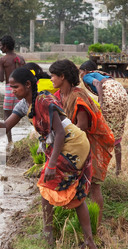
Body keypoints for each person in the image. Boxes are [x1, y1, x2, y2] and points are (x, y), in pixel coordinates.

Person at [0, 67, 97, 249]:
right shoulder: (23, 104)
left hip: (72, 144)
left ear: (28, 85)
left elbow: (59, 133)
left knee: (48, 187)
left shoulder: (44, 100)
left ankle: (50, 235)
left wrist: (51, 164)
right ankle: (80, 240)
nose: (12, 91)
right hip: (63, 145)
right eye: (10, 88)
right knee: (69, 194)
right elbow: (4, 128)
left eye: (15, 87)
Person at [49, 59, 115, 227]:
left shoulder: (77, 96)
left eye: (53, 76)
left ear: (62, 77)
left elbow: (82, 126)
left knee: (92, 185)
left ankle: (96, 225)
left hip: (87, 143)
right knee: (76, 184)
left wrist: (63, 139)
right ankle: (79, 223)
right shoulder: (59, 96)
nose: (51, 80)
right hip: (74, 143)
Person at [79, 60, 128, 176]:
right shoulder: (106, 77)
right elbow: (125, 91)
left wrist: (101, 101)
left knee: (100, 132)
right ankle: (118, 169)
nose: (80, 76)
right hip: (122, 100)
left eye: (81, 72)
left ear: (86, 71)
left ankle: (98, 167)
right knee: (116, 134)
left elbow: (97, 84)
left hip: (110, 100)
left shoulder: (87, 76)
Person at [0, 35, 26, 143]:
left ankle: (9, 141)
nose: (1, 48)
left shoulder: (3, 59)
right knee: (28, 111)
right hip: (24, 89)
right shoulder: (21, 59)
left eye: (1, 46)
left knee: (7, 115)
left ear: (6, 47)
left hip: (10, 90)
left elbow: (1, 79)